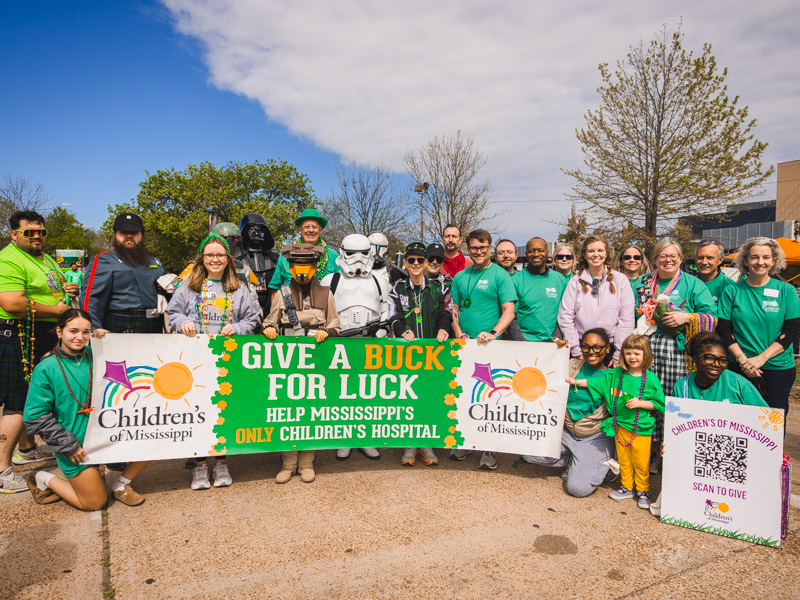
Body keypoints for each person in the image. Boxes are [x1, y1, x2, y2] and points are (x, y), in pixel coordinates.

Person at [23, 309, 149, 508]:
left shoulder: (99, 354)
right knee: (94, 503)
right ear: (59, 331)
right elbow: (35, 416)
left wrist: (109, 342)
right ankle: (43, 477)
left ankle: (121, 484)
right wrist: (67, 445)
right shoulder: (45, 368)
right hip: (76, 444)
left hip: (109, 434)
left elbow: (134, 363)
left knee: (158, 439)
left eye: (86, 332)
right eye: (73, 331)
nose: (80, 337)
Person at [166, 234, 261, 489]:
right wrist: (182, 322)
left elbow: (252, 320)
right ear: (202, 258)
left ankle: (221, 462)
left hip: (226, 360)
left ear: (228, 258)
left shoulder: (238, 288)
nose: (215, 259)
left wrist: (237, 328)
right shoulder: (189, 285)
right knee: (196, 411)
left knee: (221, 411)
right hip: (194, 360)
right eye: (210, 255)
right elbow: (172, 312)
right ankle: (199, 466)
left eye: (220, 255)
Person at [0, 211, 77, 492]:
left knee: (37, 394)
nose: (36, 237)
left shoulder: (44, 259)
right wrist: (56, 310)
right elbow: (12, 303)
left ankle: (27, 449)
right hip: (18, 332)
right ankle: (2, 471)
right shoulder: (8, 259)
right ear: (14, 234)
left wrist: (65, 291)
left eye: (40, 233)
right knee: (17, 401)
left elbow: (48, 289)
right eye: (29, 232)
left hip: (41, 333)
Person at [632, 240, 715, 472]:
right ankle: (650, 450)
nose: (668, 260)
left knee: (672, 399)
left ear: (680, 258)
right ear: (655, 258)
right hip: (646, 346)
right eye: (662, 256)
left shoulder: (693, 283)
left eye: (673, 255)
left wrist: (687, 317)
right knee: (646, 395)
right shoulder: (644, 282)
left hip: (677, 350)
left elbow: (712, 317)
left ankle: (674, 451)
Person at [263, 243, 340, 483]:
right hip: (287, 364)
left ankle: (307, 461)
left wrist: (328, 331)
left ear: (315, 267)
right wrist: (269, 328)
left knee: (310, 413)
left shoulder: (326, 293)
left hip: (315, 364)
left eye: (307, 264)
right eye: (297, 265)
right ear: (291, 267)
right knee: (287, 413)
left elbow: (335, 323)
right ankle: (288, 462)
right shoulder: (282, 292)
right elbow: (270, 320)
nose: (302, 270)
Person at [567, 334, 665, 509]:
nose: (632, 357)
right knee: (625, 460)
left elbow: (660, 403)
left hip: (640, 429)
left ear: (646, 354)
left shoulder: (650, 378)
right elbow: (596, 382)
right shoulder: (616, 373)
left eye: (637, 353)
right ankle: (626, 487)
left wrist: (641, 403)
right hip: (619, 426)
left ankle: (643, 490)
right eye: (628, 353)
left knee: (641, 463)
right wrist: (574, 381)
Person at [450, 229, 517, 469]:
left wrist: (494, 333)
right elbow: (454, 309)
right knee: (466, 394)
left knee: (490, 398)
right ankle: (466, 442)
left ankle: (489, 449)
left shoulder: (500, 276)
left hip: (492, 347)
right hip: (465, 346)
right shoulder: (460, 277)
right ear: (467, 248)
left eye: (483, 247)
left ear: (490, 248)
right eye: (474, 247)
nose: (478, 251)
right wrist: (459, 334)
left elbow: (509, 311)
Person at [523, 329, 615, 497]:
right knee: (528, 453)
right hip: (566, 431)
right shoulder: (572, 365)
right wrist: (555, 350)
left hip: (594, 437)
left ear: (607, 348)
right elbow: (544, 367)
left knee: (577, 489)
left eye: (597, 347)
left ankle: (603, 465)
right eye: (586, 347)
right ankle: (575, 461)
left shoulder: (614, 376)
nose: (591, 352)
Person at [322, 233, 389, 460]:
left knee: (368, 392)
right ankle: (344, 437)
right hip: (340, 342)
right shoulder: (331, 280)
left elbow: (386, 307)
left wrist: (382, 329)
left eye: (363, 253)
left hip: (370, 344)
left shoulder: (380, 279)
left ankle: (365, 436)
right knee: (342, 393)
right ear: (342, 252)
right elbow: (322, 312)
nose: (358, 259)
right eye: (352, 253)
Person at [718, 237, 800, 420]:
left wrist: (760, 359)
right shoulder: (731, 291)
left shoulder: (787, 291)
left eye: (766, 257)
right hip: (739, 366)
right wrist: (743, 360)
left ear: (773, 260)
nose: (760, 262)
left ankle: (776, 451)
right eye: (754, 257)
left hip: (777, 368)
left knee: (772, 423)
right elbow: (724, 330)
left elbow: (791, 332)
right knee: (738, 421)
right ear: (745, 261)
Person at [387, 242, 451, 467]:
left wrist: (444, 328)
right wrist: (400, 329)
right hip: (407, 353)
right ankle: (409, 443)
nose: (415, 264)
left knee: (429, 396)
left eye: (419, 260)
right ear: (405, 262)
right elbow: (392, 315)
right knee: (409, 397)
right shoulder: (397, 287)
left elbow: (445, 312)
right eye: (411, 260)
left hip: (432, 352)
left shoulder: (438, 287)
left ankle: (426, 443)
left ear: (425, 263)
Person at [80, 213, 166, 335]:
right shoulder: (103, 260)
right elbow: (90, 299)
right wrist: (93, 328)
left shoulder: (154, 262)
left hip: (153, 325)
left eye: (134, 232)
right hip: (120, 323)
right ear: (115, 234)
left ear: (142, 235)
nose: (129, 236)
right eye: (123, 232)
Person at [558, 235, 635, 364]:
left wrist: (618, 353)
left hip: (610, 347)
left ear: (606, 254)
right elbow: (565, 317)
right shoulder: (575, 282)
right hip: (583, 348)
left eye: (600, 250)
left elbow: (626, 319)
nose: (595, 254)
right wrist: (576, 350)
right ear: (584, 254)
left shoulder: (620, 280)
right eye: (591, 251)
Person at [672, 332, 767, 407]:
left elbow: (765, 418)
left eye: (722, 360)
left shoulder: (738, 384)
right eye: (709, 358)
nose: (716, 364)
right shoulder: (682, 386)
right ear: (695, 359)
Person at [269, 208, 341, 291]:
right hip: (291, 302)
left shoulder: (332, 255)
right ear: (299, 230)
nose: (311, 230)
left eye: (314, 227)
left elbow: (342, 284)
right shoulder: (285, 255)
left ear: (320, 230)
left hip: (325, 302)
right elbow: (275, 287)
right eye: (306, 227)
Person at [513, 237, 567, 342]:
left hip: (553, 343)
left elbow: (564, 314)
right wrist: (522, 342)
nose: (536, 254)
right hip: (525, 342)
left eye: (540, 250)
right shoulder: (516, 280)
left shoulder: (560, 279)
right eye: (531, 251)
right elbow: (511, 316)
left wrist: (557, 339)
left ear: (547, 252)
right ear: (526, 253)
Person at [239, 213, 279, 315]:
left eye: (260, 229)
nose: (256, 233)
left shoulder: (277, 261)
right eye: (252, 229)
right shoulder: (237, 263)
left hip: (272, 311)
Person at [694, 239, 734, 307]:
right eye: (700, 258)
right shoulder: (688, 284)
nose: (704, 262)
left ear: (720, 260)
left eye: (710, 258)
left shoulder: (730, 287)